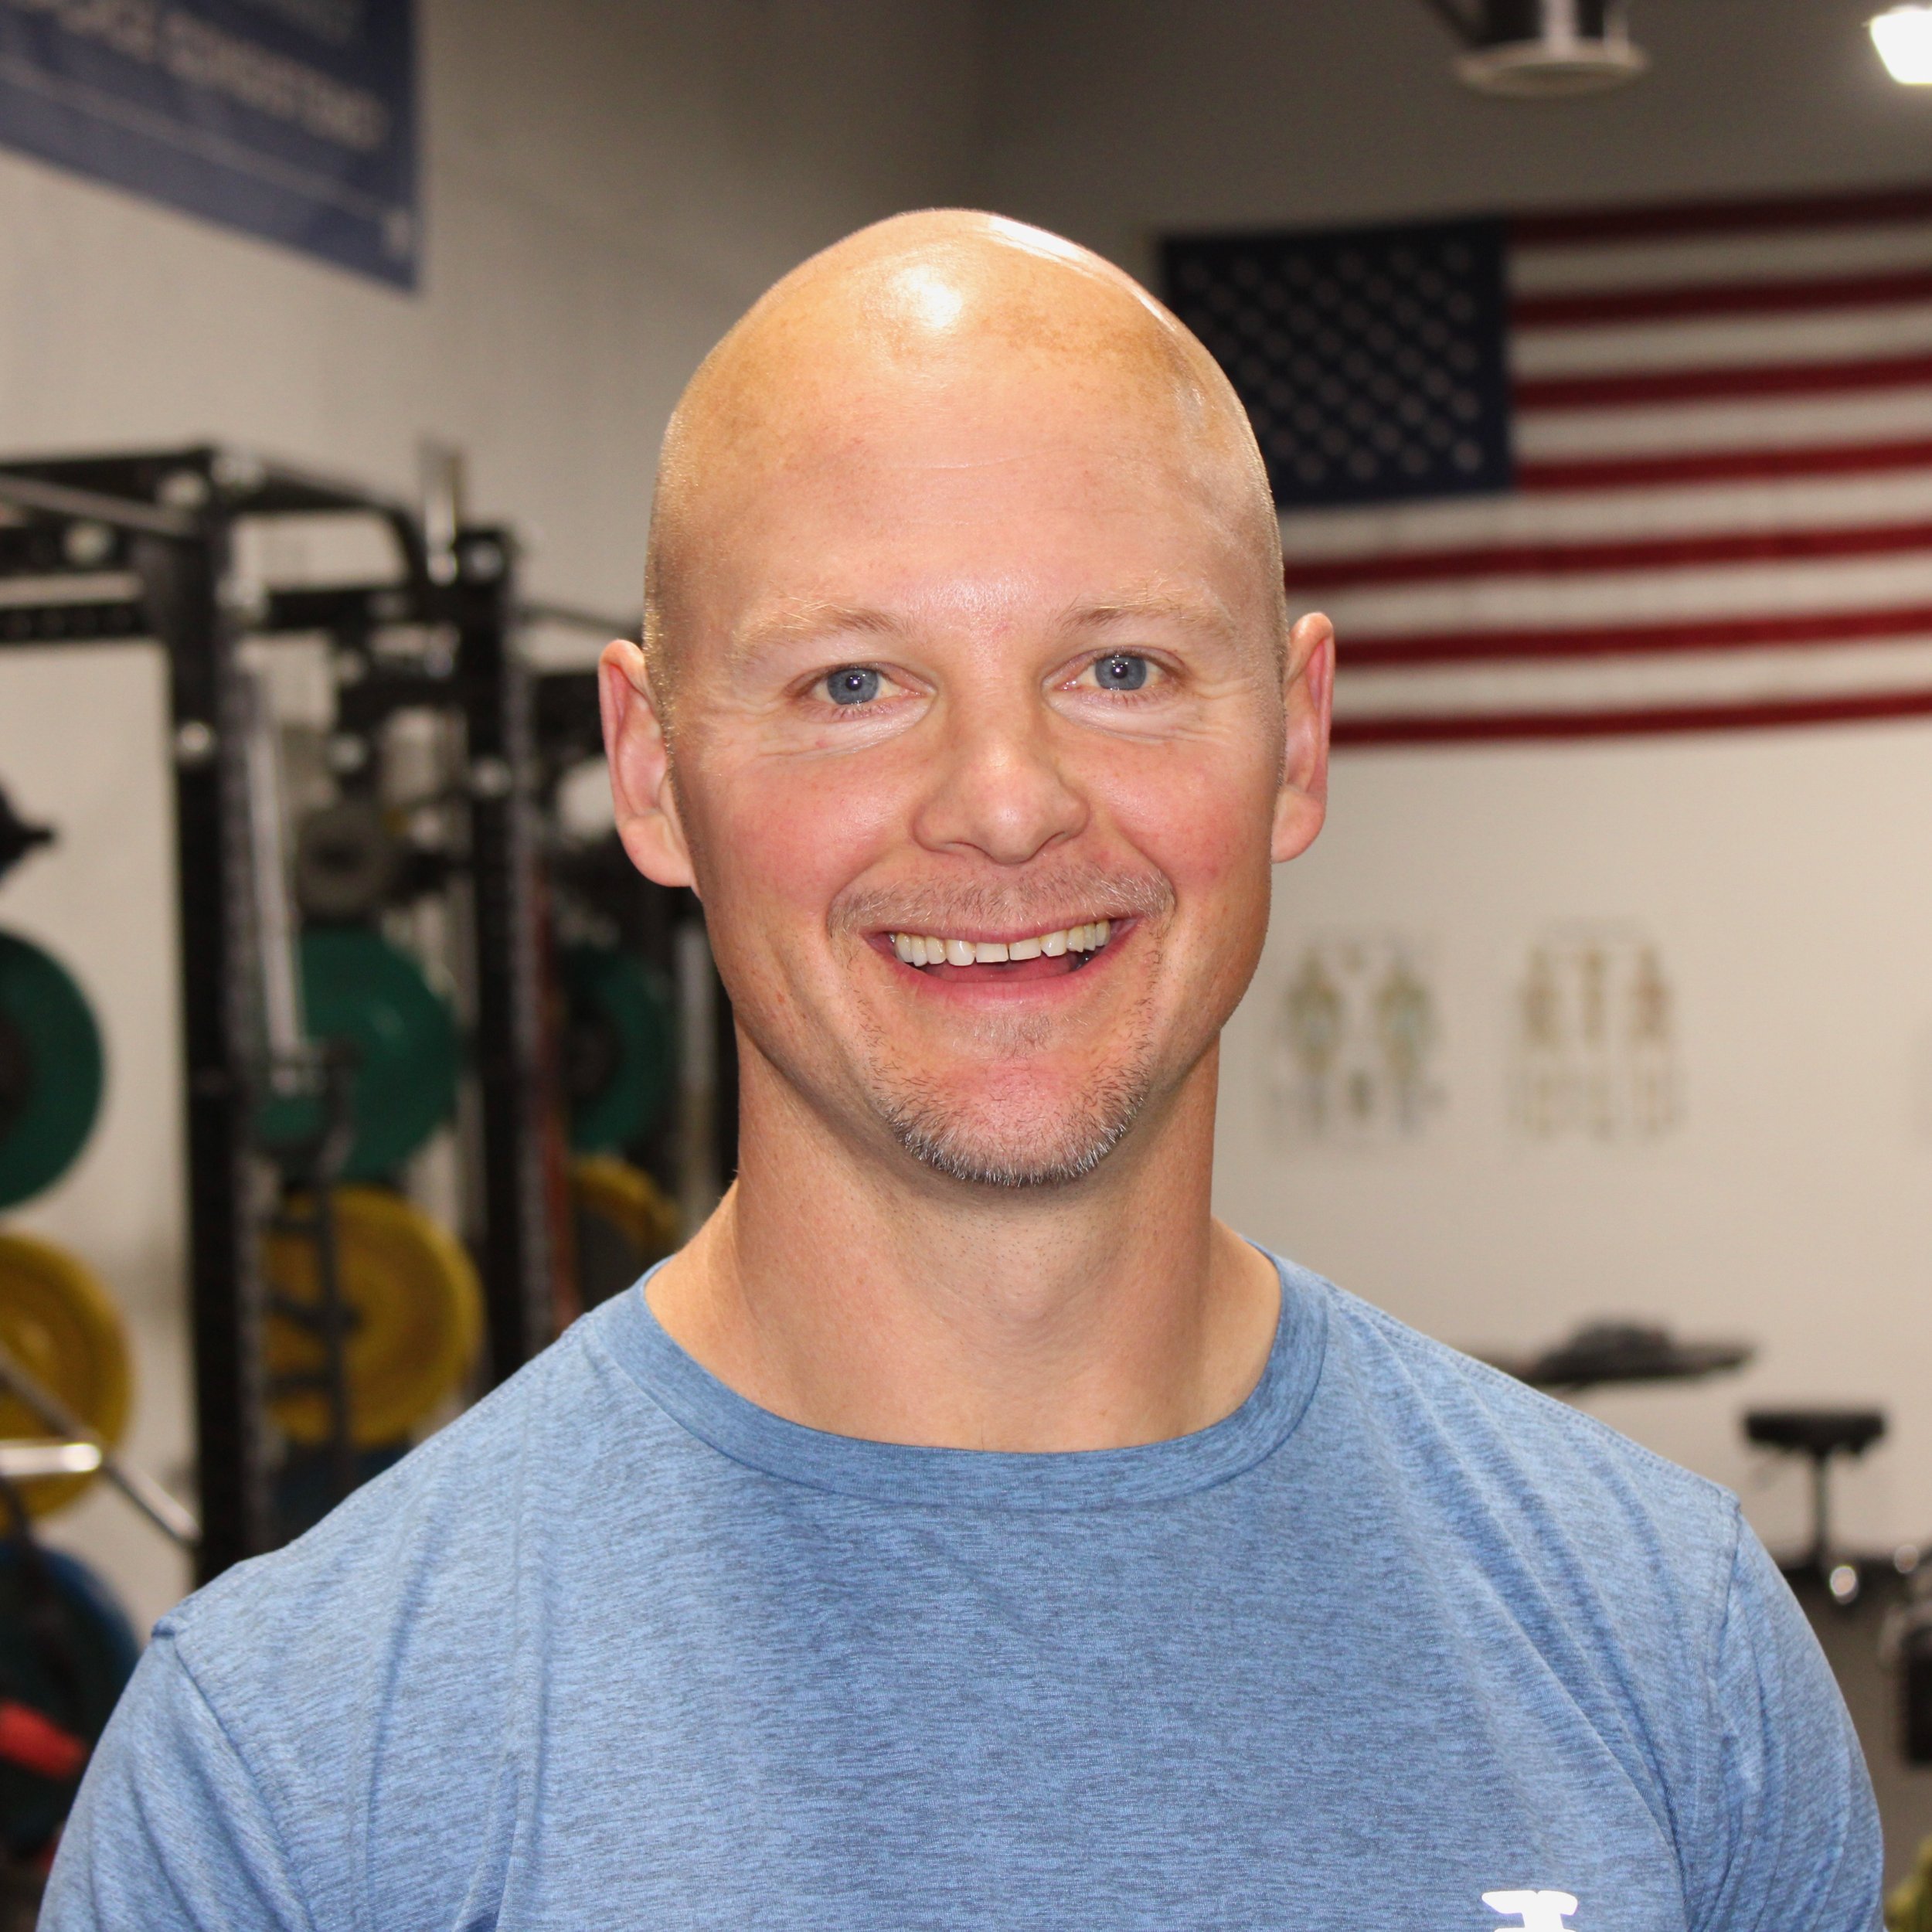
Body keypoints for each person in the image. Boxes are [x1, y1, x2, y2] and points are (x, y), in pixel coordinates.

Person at [43, 211, 1878, 1930]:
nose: (1003, 801)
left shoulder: (1663, 1652)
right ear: (653, 768)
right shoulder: (292, 1772)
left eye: (1123, 666)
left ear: (1298, 740)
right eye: (853, 682)